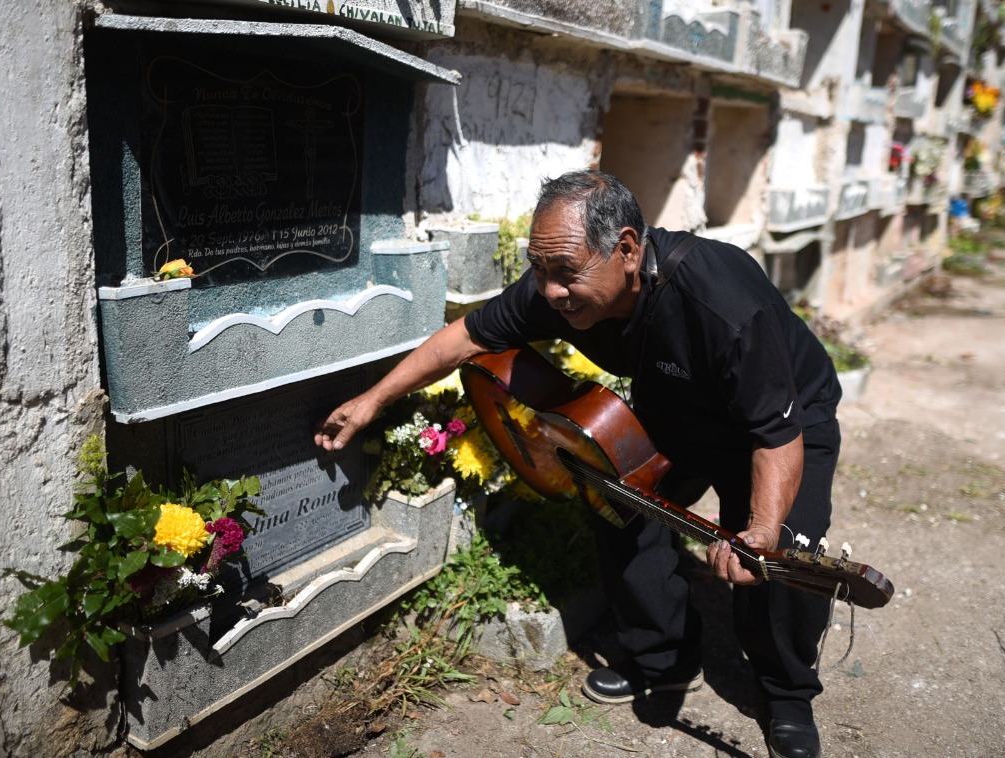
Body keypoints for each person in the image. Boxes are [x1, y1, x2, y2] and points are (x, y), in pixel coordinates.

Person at [315, 170, 842, 758]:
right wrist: (371, 401)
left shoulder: (720, 298)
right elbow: (461, 341)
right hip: (680, 406)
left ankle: (787, 692)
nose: (550, 291)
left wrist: (762, 528)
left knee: (782, 552)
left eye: (565, 271)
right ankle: (662, 656)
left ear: (626, 249)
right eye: (540, 270)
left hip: (784, 419)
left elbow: (774, 433)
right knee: (619, 499)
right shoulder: (554, 286)